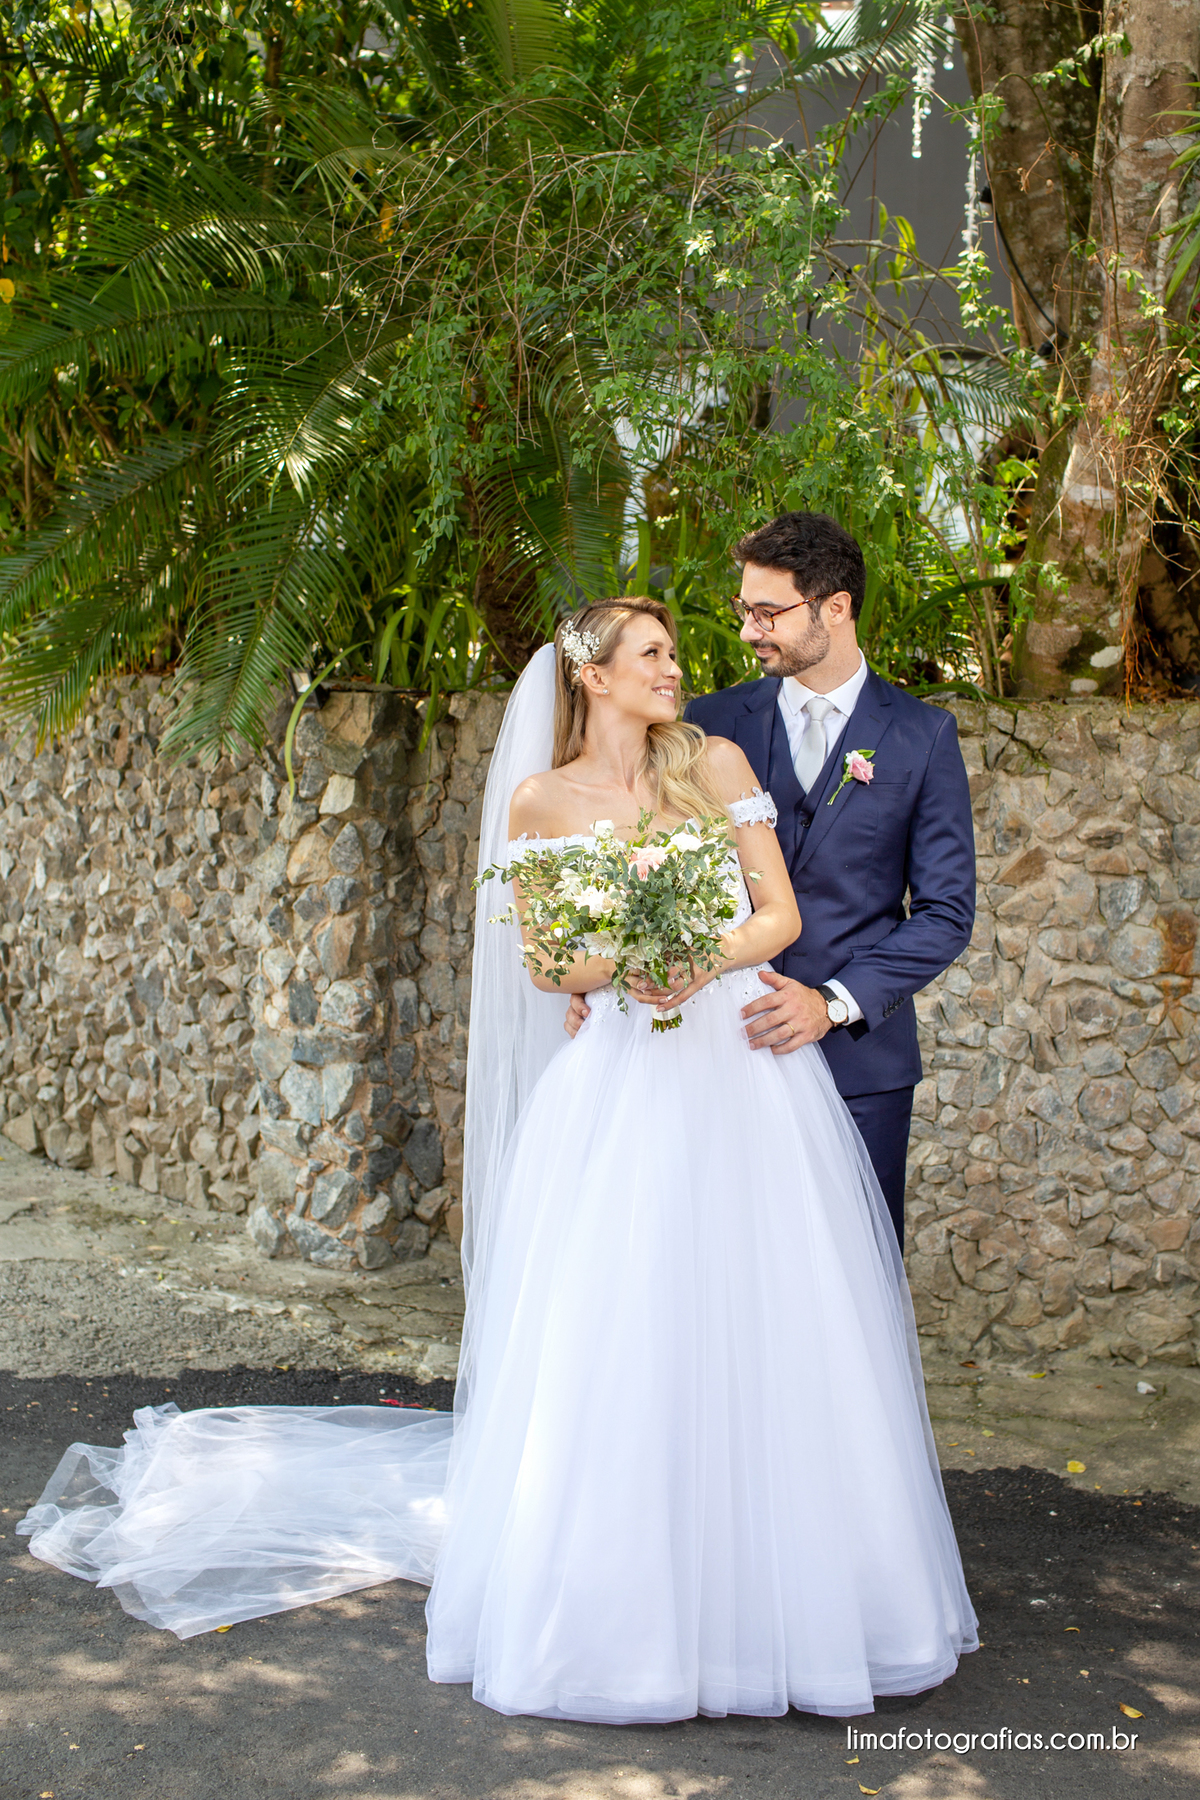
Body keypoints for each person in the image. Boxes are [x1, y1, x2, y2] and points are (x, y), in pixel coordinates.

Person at [19, 598, 977, 1725]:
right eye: (655, 654)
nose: (679, 668)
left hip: (741, 1067)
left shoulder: (712, 763)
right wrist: (619, 972)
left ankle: (792, 1590)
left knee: (769, 1318)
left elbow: (777, 916)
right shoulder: (539, 801)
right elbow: (548, 965)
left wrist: (694, 957)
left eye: (676, 651)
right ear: (593, 677)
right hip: (624, 1076)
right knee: (617, 1328)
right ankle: (629, 1601)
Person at [566, 513, 977, 1249]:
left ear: (836, 607)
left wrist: (833, 1003)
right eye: (743, 611)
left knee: (852, 1271)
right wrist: (595, 980)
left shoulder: (922, 736)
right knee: (719, 1270)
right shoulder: (704, 722)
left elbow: (946, 913)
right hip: (708, 1050)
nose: (750, 630)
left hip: (858, 1063)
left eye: (769, 612)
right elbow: (632, 849)